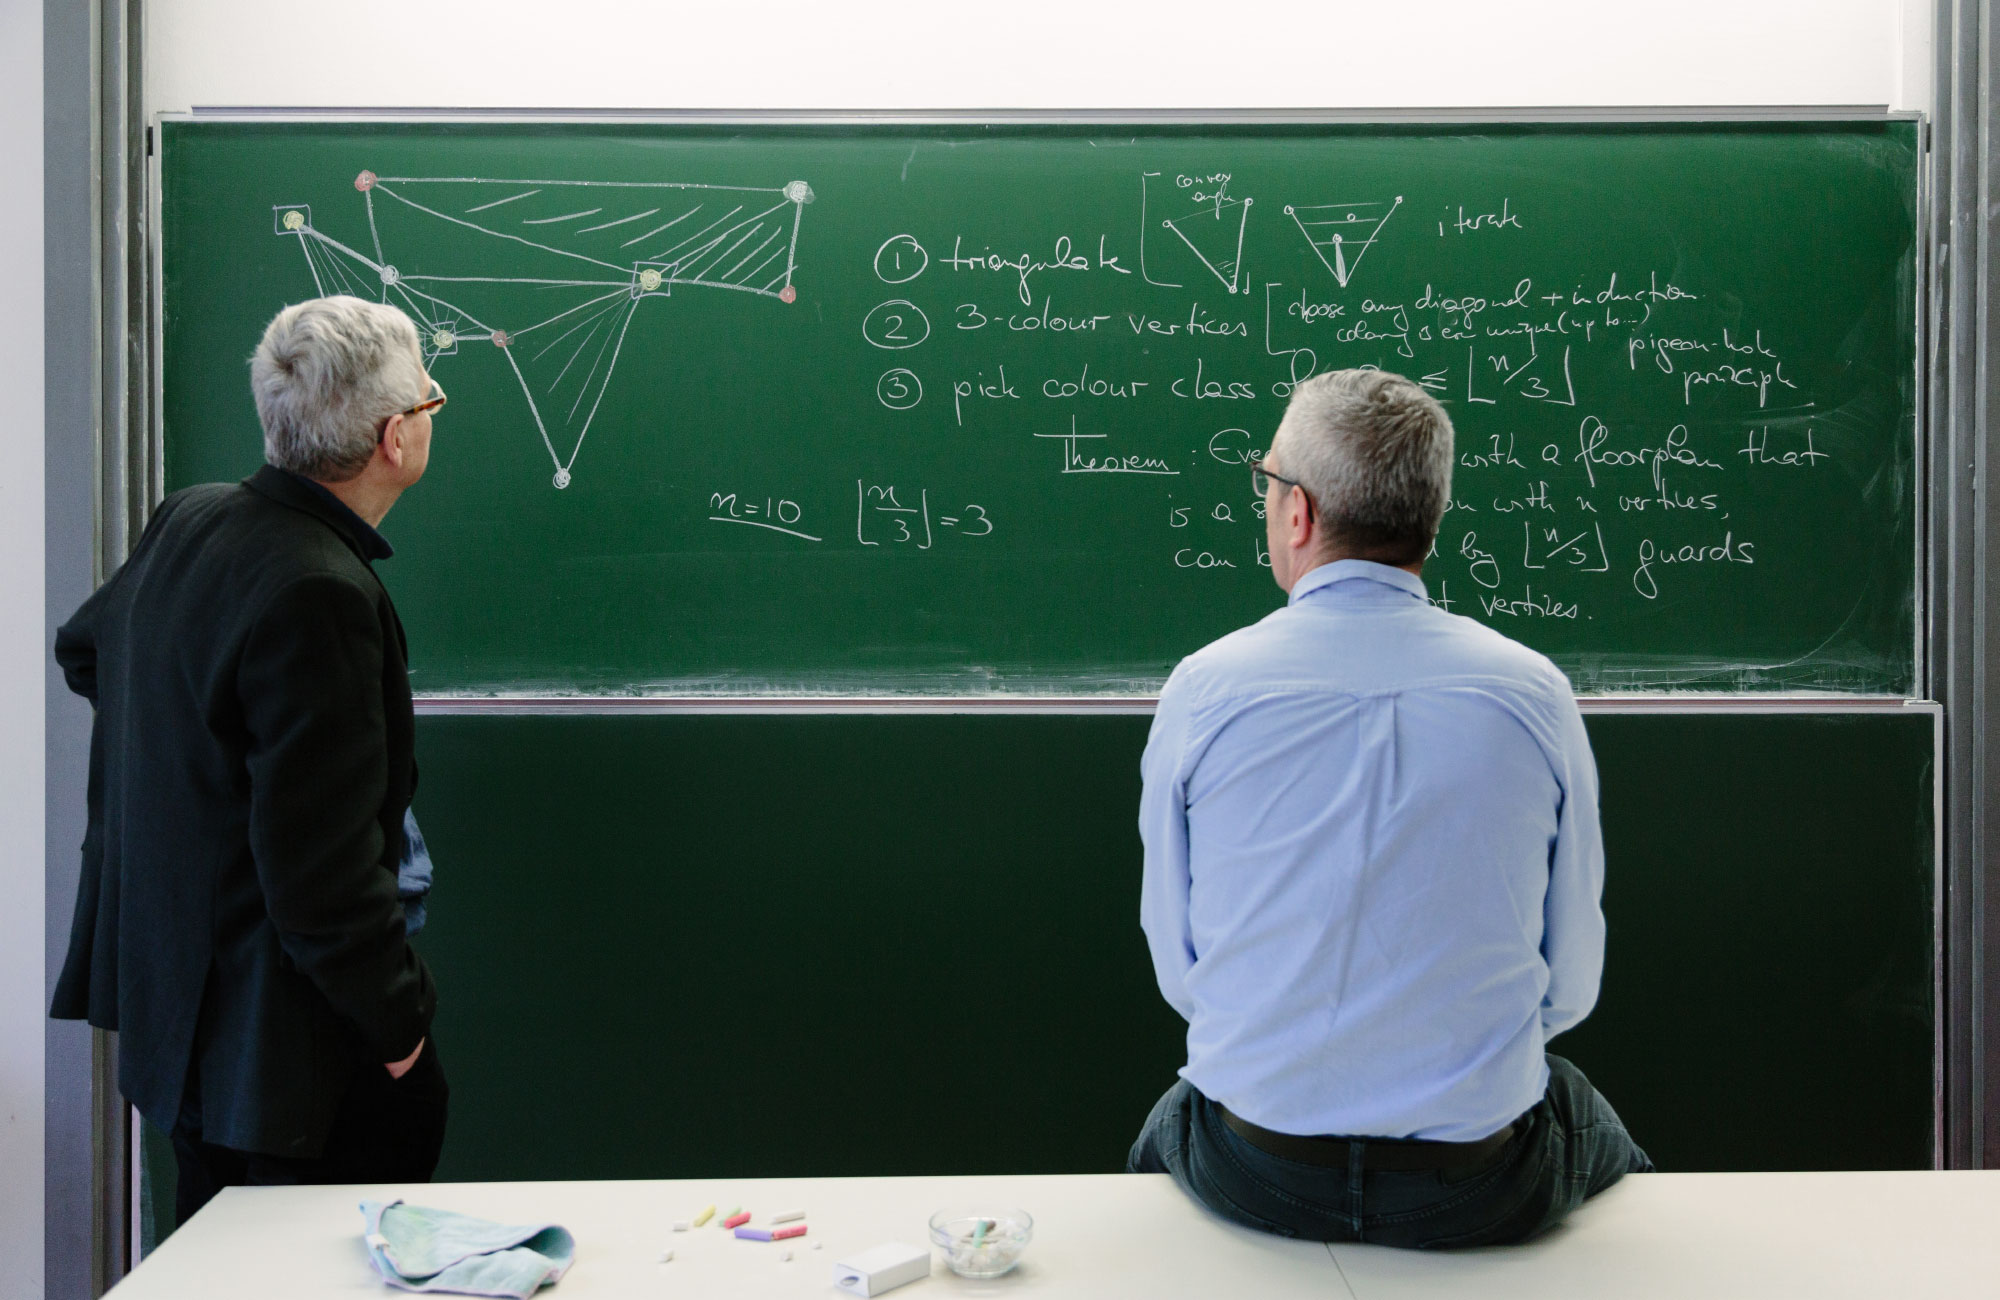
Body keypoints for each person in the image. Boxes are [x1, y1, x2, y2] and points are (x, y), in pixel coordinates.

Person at [1127, 368, 1651, 1247]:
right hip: (1477, 1182)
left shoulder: (1203, 691)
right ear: (1430, 518)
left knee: (1169, 1124)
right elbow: (1569, 988)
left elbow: (1184, 974)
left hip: (1259, 1172)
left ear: (1297, 512)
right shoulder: (1534, 694)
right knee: (1581, 1112)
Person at [52, 295, 450, 1226]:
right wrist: (401, 1035)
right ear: (395, 437)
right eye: (432, 402)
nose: (435, 412)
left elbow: (87, 650)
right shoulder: (321, 589)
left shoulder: (192, 520)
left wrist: (193, 767)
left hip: (190, 1025)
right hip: (284, 1062)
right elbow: (322, 881)